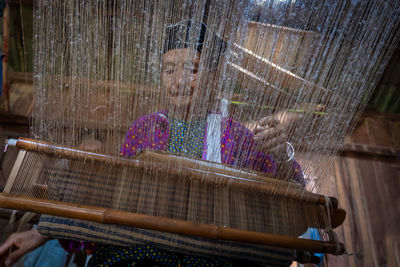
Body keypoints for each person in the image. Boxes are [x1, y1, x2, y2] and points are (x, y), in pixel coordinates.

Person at [0, 20, 304, 267]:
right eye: (169, 69)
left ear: (214, 77)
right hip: (138, 255)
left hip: (215, 259)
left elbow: (294, 202)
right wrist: (42, 233)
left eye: (193, 69)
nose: (178, 81)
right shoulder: (144, 129)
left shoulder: (239, 137)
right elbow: (114, 198)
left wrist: (284, 158)